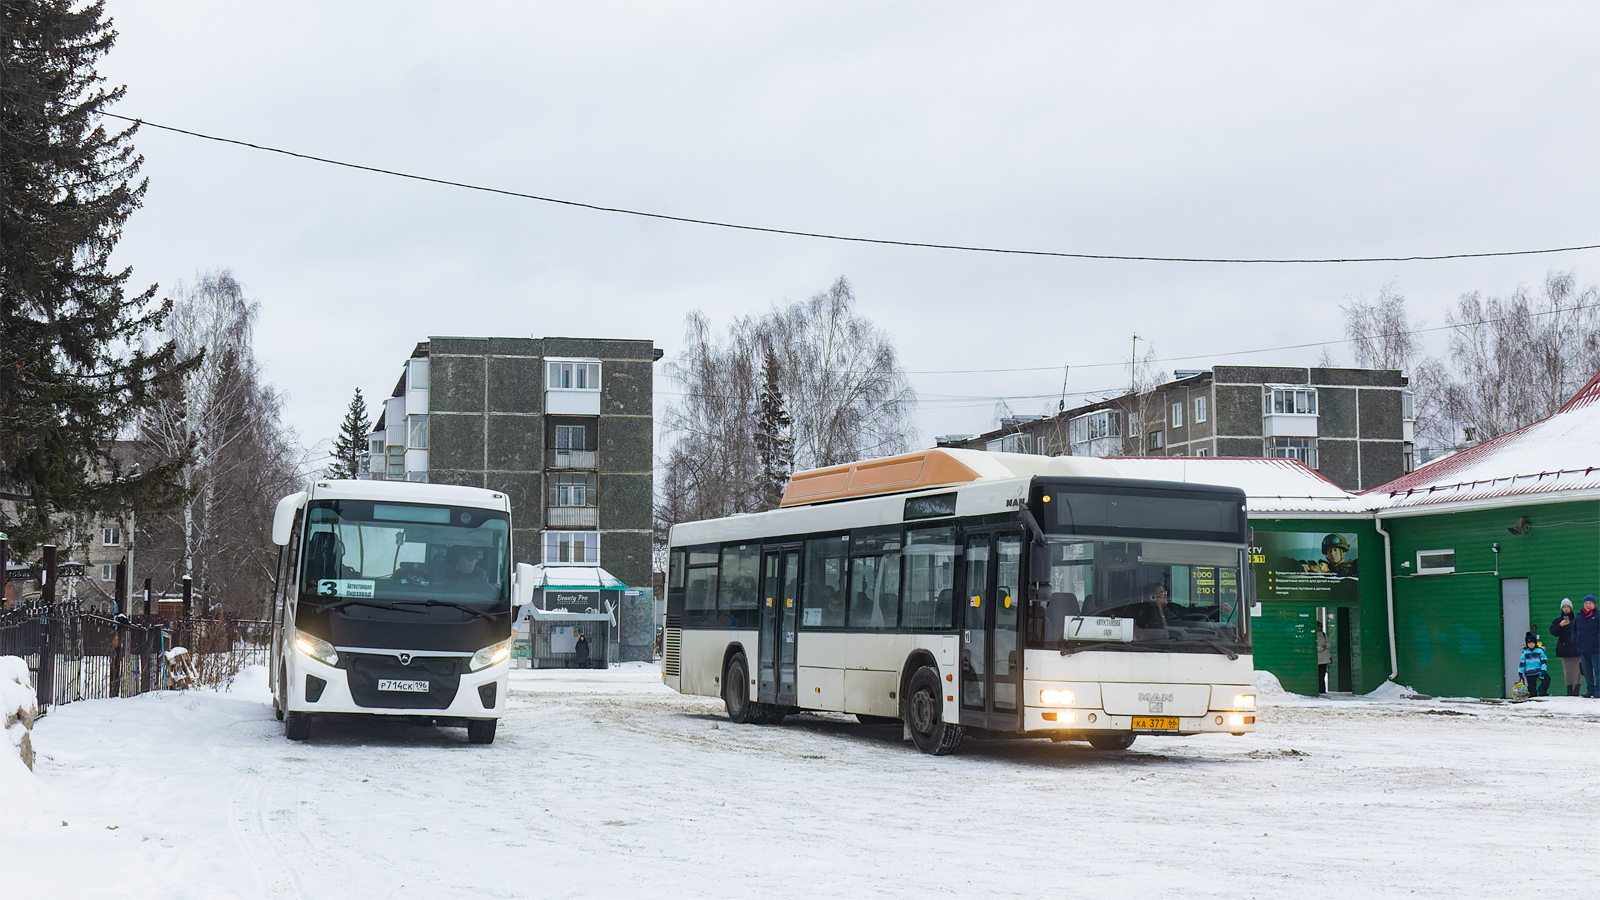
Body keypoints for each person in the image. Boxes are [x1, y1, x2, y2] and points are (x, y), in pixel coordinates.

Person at [1550, 598, 1582, 696]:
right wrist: (1560, 625)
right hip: (1564, 649)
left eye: (1568, 607)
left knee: (1578, 670)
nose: (1566, 609)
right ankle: (1569, 690)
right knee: (1568, 671)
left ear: (1571, 608)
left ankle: (1576, 690)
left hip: (1576, 648)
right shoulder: (1558, 621)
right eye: (1564, 607)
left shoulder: (1576, 620)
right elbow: (1553, 632)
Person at [1575, 595, 1600, 698]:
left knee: (1598, 671)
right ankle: (1590, 690)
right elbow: (1574, 629)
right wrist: (1575, 639)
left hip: (1596, 649)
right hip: (1583, 649)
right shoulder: (1579, 616)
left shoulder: (1598, 615)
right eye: (1586, 603)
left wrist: (1595, 640)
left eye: (1590, 603)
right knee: (1587, 671)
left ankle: (1598, 691)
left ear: (1594, 604)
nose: (1588, 605)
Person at [1518, 632, 1550, 698]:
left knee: (1547, 680)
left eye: (1532, 643)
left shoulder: (1539, 651)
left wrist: (1543, 670)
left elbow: (1544, 661)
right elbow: (1522, 663)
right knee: (1532, 687)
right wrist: (1520, 671)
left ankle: (1542, 692)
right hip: (1529, 673)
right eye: (1529, 643)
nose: (1531, 645)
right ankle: (1533, 696)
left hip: (1538, 671)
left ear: (1535, 643)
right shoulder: (1525, 652)